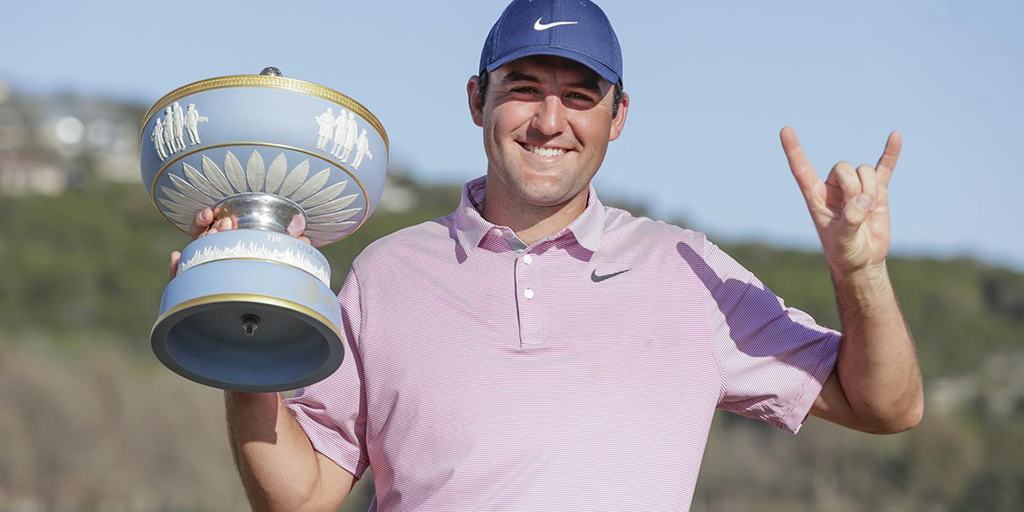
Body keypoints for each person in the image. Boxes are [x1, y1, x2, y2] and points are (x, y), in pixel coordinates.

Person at [173, 0, 923, 510]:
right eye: (525, 88)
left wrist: (859, 273)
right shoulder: (386, 273)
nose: (549, 121)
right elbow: (302, 496)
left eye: (581, 96)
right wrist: (244, 334)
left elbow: (886, 406)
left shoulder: (687, 269)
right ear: (478, 99)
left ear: (618, 116)